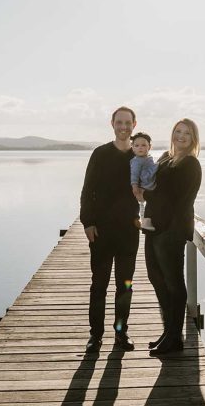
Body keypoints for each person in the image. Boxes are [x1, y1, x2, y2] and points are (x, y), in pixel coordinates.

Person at [80, 106, 140, 352]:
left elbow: (152, 189)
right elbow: (87, 190)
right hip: (102, 232)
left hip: (129, 231)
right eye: (119, 122)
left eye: (127, 123)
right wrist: (87, 222)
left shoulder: (139, 156)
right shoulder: (100, 154)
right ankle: (95, 336)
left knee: (125, 286)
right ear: (112, 124)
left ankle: (121, 333)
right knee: (99, 285)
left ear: (134, 125)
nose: (123, 127)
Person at [142, 118, 202, 356]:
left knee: (173, 283)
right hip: (154, 228)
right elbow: (154, 185)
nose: (181, 136)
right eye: (178, 131)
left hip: (172, 231)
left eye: (187, 133)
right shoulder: (166, 157)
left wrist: (145, 193)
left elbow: (174, 197)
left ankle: (175, 338)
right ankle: (168, 331)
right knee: (156, 278)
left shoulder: (190, 164)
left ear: (193, 139)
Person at [130, 132, 158, 231]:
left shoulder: (148, 158)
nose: (140, 148)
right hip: (145, 186)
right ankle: (144, 222)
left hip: (151, 183)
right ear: (133, 148)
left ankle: (148, 221)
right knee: (143, 205)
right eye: (137, 146)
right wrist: (135, 187)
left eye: (143, 145)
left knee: (149, 205)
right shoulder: (137, 161)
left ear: (149, 147)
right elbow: (134, 175)